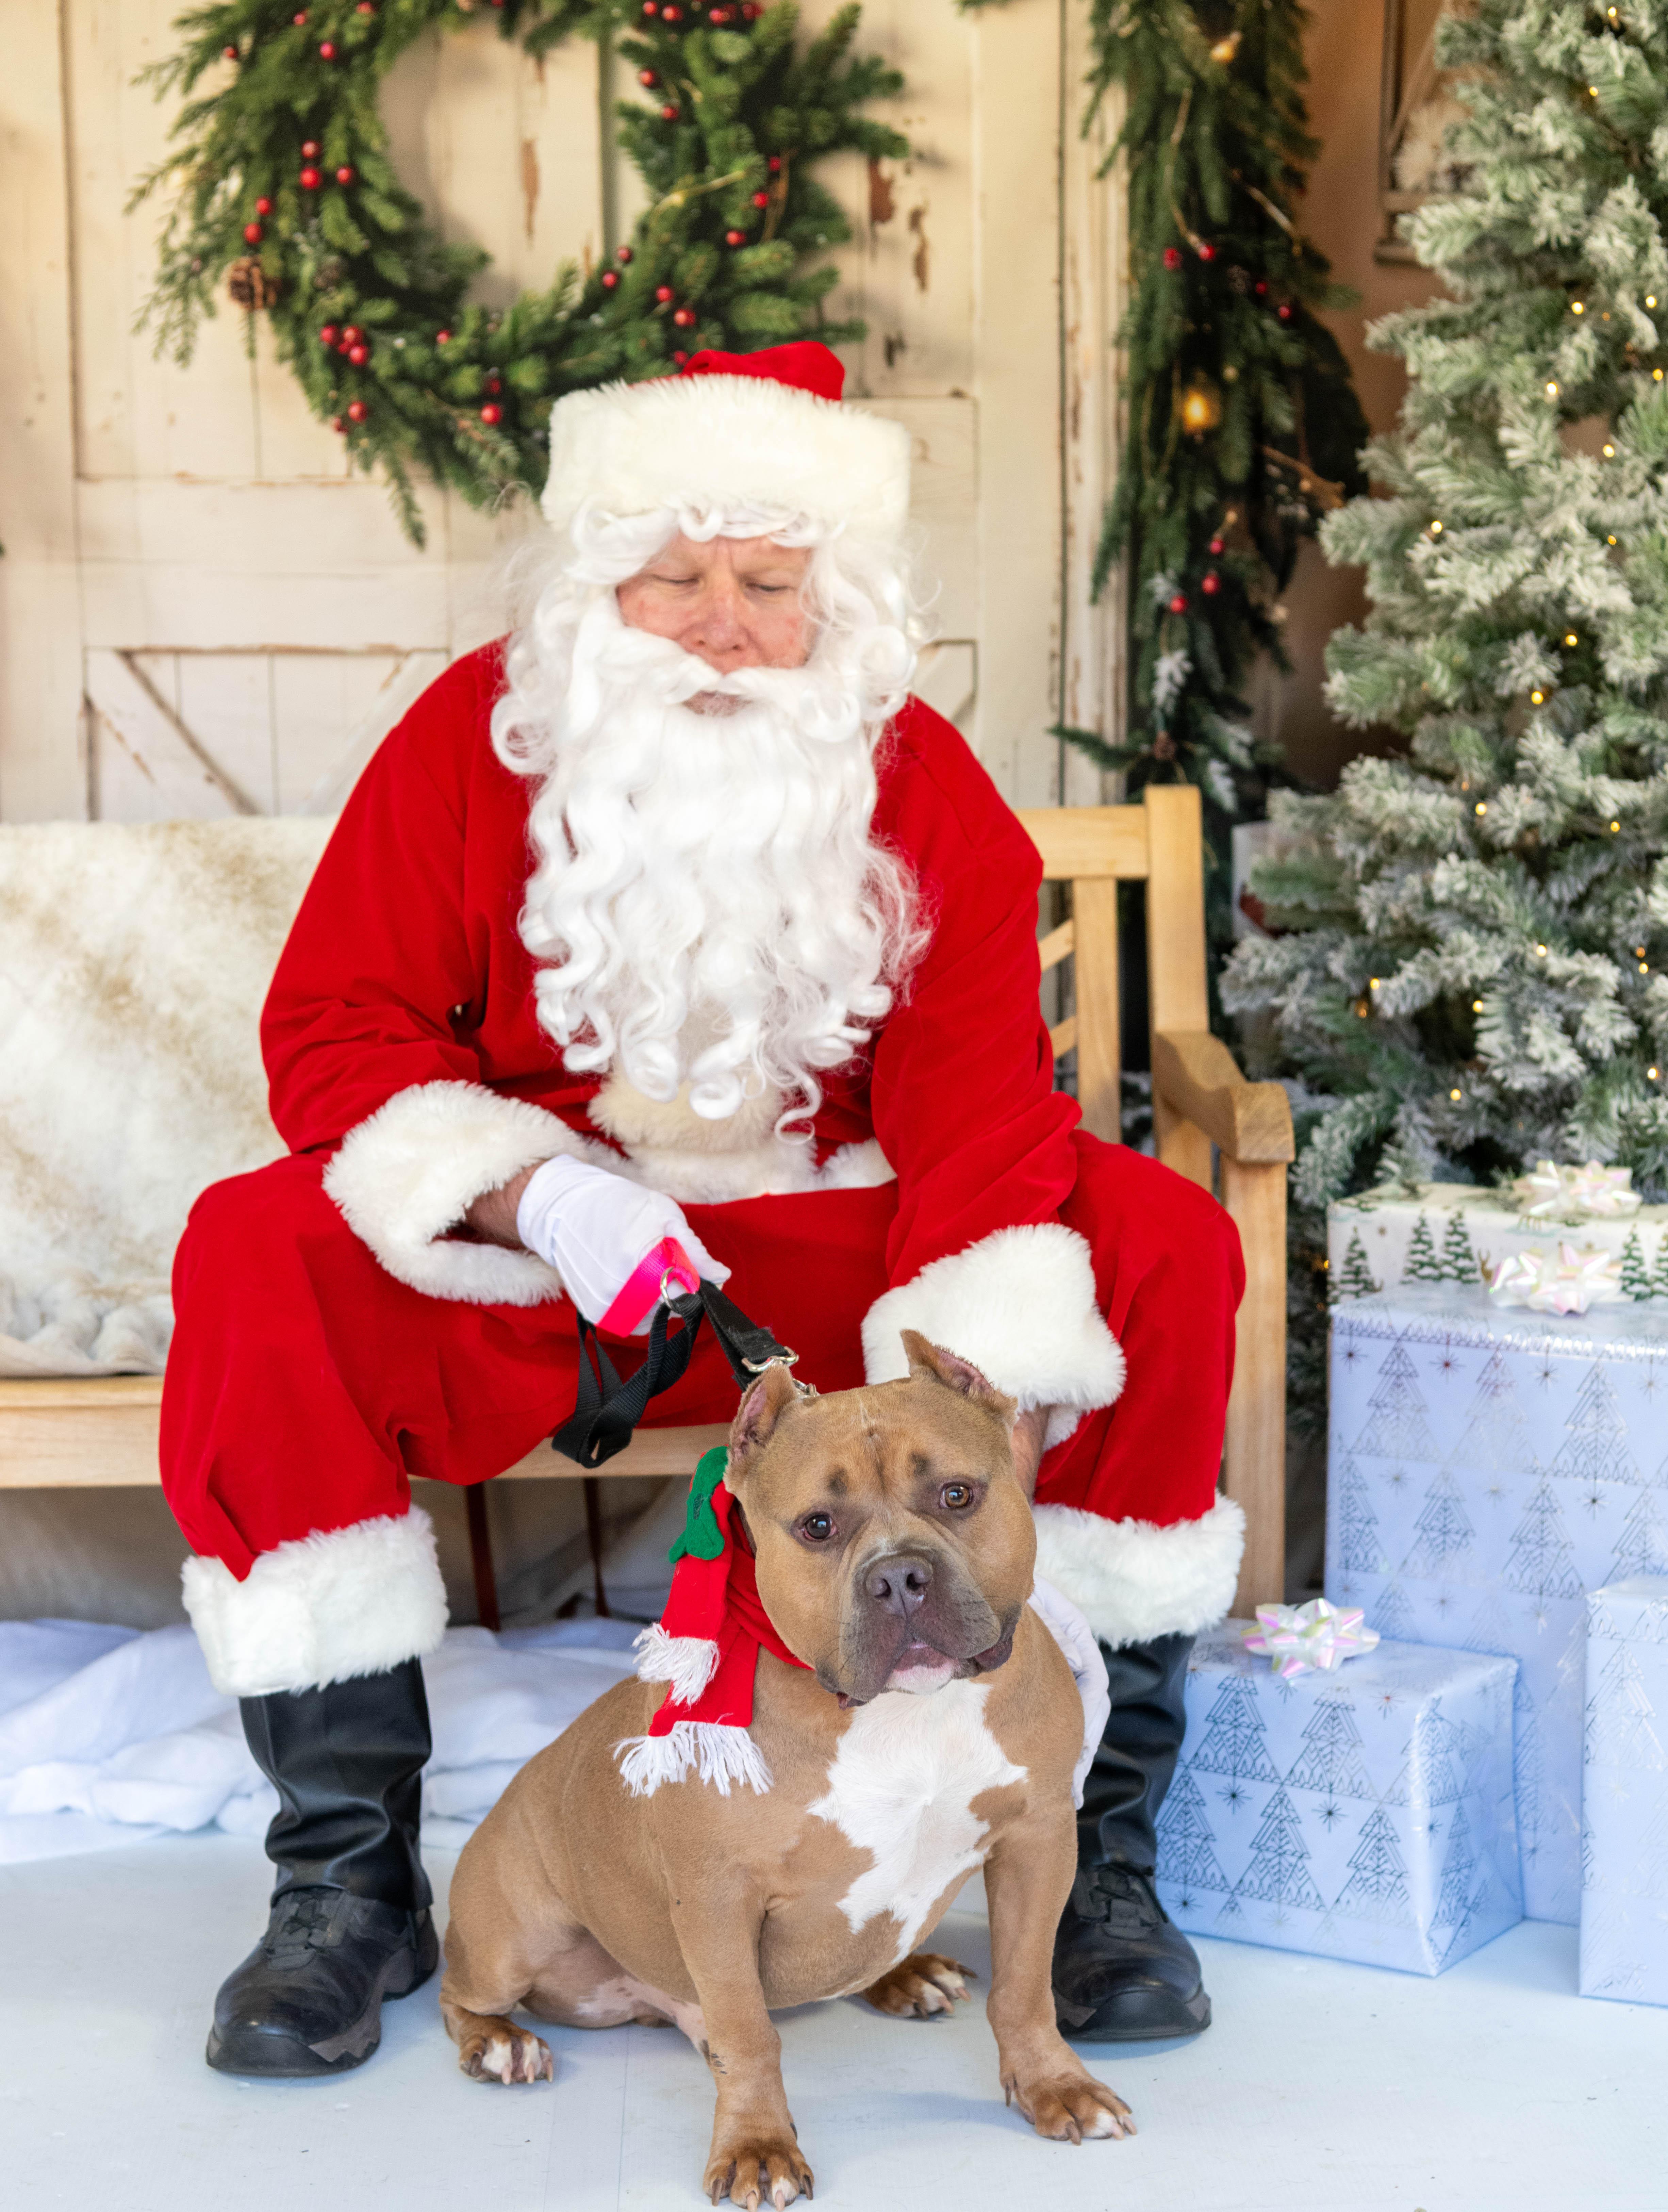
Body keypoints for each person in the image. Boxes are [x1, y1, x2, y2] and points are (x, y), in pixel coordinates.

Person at [159, 343, 1245, 2079]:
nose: (722, 628)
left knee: (1162, 1243)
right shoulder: (470, 745)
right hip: (558, 1278)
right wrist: (531, 1190)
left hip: (839, 1264)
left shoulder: (911, 776)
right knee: (253, 1247)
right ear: (594, 589)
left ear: (836, 602)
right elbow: (337, 1026)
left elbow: (978, 1098)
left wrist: (981, 1362)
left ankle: (1096, 1849)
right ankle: (345, 1887)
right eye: (672, 579)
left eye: (767, 584)